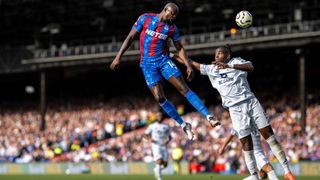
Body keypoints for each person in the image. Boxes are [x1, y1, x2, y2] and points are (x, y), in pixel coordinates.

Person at [171, 45, 296, 180]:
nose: (216, 55)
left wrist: (230, 67)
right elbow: (190, 62)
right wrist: (172, 56)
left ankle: (287, 171)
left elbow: (250, 67)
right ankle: (254, 176)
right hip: (235, 110)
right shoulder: (211, 69)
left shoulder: (236, 62)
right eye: (216, 53)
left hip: (251, 103)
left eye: (220, 53)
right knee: (246, 145)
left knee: (270, 137)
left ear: (227, 56)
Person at [110, 2, 220, 140]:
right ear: (165, 10)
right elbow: (130, 37)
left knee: (183, 88)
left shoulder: (172, 28)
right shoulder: (145, 18)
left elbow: (179, 48)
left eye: (175, 15)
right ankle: (184, 125)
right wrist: (118, 57)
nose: (173, 17)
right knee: (159, 97)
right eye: (172, 13)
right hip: (147, 65)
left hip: (164, 61)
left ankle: (209, 116)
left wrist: (188, 65)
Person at [144, 113, 172, 180]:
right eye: (158, 116)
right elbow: (145, 135)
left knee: (165, 164)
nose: (159, 117)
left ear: (162, 117)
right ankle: (159, 178)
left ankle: (157, 169)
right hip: (156, 145)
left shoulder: (166, 126)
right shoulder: (152, 126)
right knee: (159, 160)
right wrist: (149, 139)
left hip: (163, 145)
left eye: (160, 116)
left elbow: (170, 137)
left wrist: (167, 141)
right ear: (156, 117)